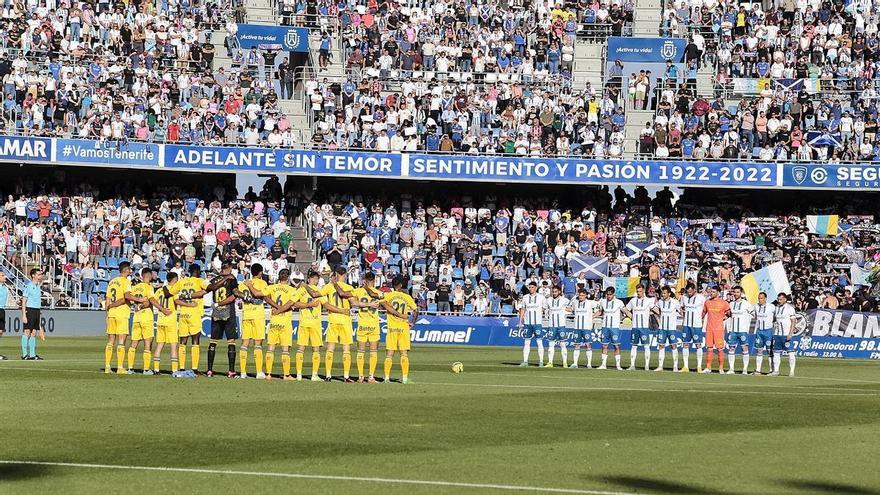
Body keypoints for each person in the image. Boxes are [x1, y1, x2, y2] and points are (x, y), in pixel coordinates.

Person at [167, 264, 209, 374]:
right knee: (195, 341)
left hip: (183, 314)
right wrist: (195, 295)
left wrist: (183, 296)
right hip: (194, 313)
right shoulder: (199, 281)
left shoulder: (181, 282)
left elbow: (170, 292)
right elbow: (208, 289)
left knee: (183, 342)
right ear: (198, 271)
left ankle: (181, 368)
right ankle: (194, 369)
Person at [105, 262, 142, 372]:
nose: (130, 271)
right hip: (121, 314)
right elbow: (126, 296)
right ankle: (120, 367)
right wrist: (139, 299)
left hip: (111, 313)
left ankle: (107, 367)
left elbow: (107, 300)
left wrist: (107, 314)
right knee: (121, 340)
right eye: (130, 269)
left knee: (111, 340)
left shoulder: (112, 282)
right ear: (126, 270)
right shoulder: (126, 281)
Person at [264, 269, 299, 380]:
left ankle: (268, 374)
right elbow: (290, 303)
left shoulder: (272, 287)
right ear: (288, 278)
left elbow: (264, 296)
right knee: (285, 349)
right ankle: (286, 375)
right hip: (285, 321)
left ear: (279, 277)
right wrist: (281, 310)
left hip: (274, 320)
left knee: (271, 348)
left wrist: (275, 307)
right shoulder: (292, 289)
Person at [382, 276, 418, 384]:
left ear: (392, 285)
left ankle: (386, 378)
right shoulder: (406, 297)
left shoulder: (388, 295)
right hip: (403, 328)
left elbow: (381, 302)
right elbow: (416, 311)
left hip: (392, 328)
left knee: (389, 354)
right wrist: (412, 323)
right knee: (404, 354)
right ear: (401, 285)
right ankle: (405, 379)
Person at [207, 263, 240, 378]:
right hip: (228, 311)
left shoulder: (214, 279)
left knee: (213, 341)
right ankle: (231, 371)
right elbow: (234, 294)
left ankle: (209, 370)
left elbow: (209, 289)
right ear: (229, 268)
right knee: (231, 341)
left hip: (216, 311)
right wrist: (243, 296)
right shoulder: (231, 278)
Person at [238, 264, 271, 378]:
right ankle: (259, 372)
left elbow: (241, 297)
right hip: (257, 315)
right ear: (260, 273)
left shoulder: (243, 284)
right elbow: (259, 294)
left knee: (244, 344)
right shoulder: (262, 283)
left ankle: (242, 372)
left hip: (246, 314)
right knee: (258, 344)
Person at [127, 269, 162, 374]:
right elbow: (149, 302)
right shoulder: (148, 287)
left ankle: (130, 368)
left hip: (136, 317)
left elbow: (130, 299)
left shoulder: (135, 287)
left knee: (134, 343)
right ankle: (146, 369)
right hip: (146, 317)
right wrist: (161, 308)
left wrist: (137, 306)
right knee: (148, 343)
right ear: (149, 276)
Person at [352, 271, 384, 383]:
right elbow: (386, 304)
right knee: (373, 351)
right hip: (374, 325)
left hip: (362, 324)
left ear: (365, 280)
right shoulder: (378, 292)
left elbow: (352, 301)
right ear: (374, 281)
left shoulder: (358, 291)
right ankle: (371, 377)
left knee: (360, 351)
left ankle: (360, 377)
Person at [294, 270, 325, 381]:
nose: (315, 281)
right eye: (314, 279)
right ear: (309, 279)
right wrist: (309, 304)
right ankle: (314, 375)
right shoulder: (319, 291)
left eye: (316, 279)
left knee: (301, 349)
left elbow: (295, 303)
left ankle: (299, 374)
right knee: (315, 349)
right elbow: (326, 305)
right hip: (315, 323)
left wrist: (305, 305)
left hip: (304, 322)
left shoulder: (301, 290)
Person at [153, 273, 180, 375]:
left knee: (159, 345)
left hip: (160, 320)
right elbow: (177, 301)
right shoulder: (174, 290)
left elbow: (154, 300)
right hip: (171, 321)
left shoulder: (160, 290)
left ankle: (156, 369)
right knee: (173, 346)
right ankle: (174, 370)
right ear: (174, 279)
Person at [596, 287, 629, 370]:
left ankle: (618, 365)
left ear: (614, 294)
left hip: (614, 327)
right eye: (607, 294)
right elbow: (600, 312)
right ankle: (603, 365)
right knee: (604, 346)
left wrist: (632, 317)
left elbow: (625, 311)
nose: (608, 296)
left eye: (610, 294)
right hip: (605, 327)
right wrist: (591, 316)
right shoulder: (603, 301)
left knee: (616, 346)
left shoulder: (619, 302)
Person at [702, 285, 730, 373]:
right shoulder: (707, 302)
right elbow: (703, 313)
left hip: (719, 329)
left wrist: (723, 318)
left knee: (720, 348)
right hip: (709, 328)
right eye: (711, 292)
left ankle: (721, 368)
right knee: (709, 348)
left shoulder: (723, 303)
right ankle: (708, 367)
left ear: (718, 292)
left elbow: (729, 313)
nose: (711, 293)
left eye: (713, 292)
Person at [518, 281, 546, 367]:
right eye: (529, 287)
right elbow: (523, 309)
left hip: (537, 323)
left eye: (532, 287)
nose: (531, 289)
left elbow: (544, 308)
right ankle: (525, 361)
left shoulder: (541, 297)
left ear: (536, 288)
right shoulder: (525, 297)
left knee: (539, 342)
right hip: (527, 323)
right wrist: (520, 321)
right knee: (526, 342)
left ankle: (541, 361)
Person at [653, 286, 681, 372]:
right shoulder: (660, 302)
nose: (663, 294)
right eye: (662, 293)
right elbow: (656, 309)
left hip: (671, 328)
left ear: (669, 293)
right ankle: (660, 366)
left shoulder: (675, 302)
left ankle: (675, 366)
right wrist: (658, 317)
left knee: (673, 346)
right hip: (662, 328)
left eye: (665, 293)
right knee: (661, 346)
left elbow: (681, 311)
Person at [626, 285, 654, 371]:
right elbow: (626, 309)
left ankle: (646, 366)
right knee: (634, 346)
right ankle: (632, 365)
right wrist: (631, 316)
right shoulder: (633, 300)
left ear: (644, 291)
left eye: (640, 291)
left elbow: (654, 309)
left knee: (646, 346)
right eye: (637, 291)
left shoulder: (648, 301)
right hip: (635, 327)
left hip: (644, 327)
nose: (639, 293)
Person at [726, 286, 753, 374]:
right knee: (731, 348)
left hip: (742, 330)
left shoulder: (746, 304)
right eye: (735, 292)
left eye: (738, 292)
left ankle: (745, 369)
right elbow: (728, 315)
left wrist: (747, 323)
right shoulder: (731, 304)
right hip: (733, 330)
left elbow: (753, 314)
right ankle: (731, 369)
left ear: (741, 293)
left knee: (744, 348)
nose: (736, 294)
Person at [680, 283, 706, 372]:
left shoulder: (701, 298)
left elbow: (705, 310)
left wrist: (700, 317)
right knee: (685, 344)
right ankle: (685, 366)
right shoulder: (684, 297)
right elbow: (682, 308)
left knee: (698, 345)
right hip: (686, 325)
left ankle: (699, 366)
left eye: (690, 292)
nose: (689, 294)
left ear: (694, 290)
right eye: (688, 292)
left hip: (696, 325)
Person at [569, 288, 597, 369]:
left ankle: (589, 364)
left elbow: (599, 309)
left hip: (586, 327)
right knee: (576, 345)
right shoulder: (575, 302)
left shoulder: (590, 303)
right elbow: (571, 309)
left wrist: (592, 317)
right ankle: (575, 363)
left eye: (582, 295)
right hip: (577, 327)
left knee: (588, 345)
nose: (580, 297)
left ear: (585, 296)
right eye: (579, 295)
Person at [21, 268, 45, 361]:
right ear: (33, 275)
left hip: (37, 310)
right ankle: (24, 354)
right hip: (30, 310)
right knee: (27, 331)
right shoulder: (28, 286)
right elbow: (24, 300)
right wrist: (24, 314)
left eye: (40, 274)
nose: (40, 276)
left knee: (34, 332)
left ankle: (32, 354)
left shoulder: (38, 286)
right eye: (38, 274)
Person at [771, 293, 797, 377]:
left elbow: (793, 322)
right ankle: (776, 371)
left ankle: (792, 371)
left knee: (790, 352)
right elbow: (775, 320)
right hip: (777, 334)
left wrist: (790, 333)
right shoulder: (777, 308)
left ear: (785, 299)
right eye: (778, 299)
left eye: (781, 299)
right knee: (776, 352)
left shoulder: (790, 308)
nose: (779, 301)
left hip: (786, 334)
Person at [544, 285, 570, 368]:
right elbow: (544, 308)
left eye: (555, 291)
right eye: (553, 292)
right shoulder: (548, 300)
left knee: (563, 344)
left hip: (561, 325)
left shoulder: (564, 300)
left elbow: (571, 306)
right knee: (551, 344)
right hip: (551, 325)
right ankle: (550, 362)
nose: (554, 293)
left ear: (559, 292)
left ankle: (565, 363)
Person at [752, 292, 774, 375]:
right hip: (759, 331)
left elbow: (775, 316)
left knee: (769, 351)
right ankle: (758, 370)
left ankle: (772, 370)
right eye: (759, 298)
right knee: (759, 350)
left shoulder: (771, 307)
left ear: (765, 298)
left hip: (768, 331)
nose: (760, 300)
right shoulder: (756, 306)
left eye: (761, 298)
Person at [0, 271, 8, 360]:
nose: (4, 277)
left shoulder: (5, 287)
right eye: (2, 276)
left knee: (1, 332)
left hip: (2, 310)